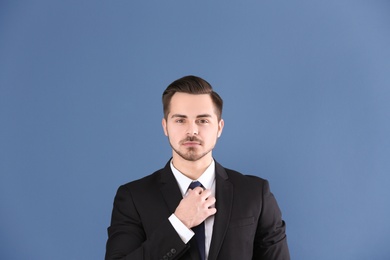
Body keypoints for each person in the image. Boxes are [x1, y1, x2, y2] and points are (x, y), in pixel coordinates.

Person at [105, 75, 290, 260]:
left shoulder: (256, 194)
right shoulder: (133, 197)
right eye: (180, 120)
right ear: (165, 127)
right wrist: (179, 224)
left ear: (219, 127)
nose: (192, 131)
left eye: (202, 120)